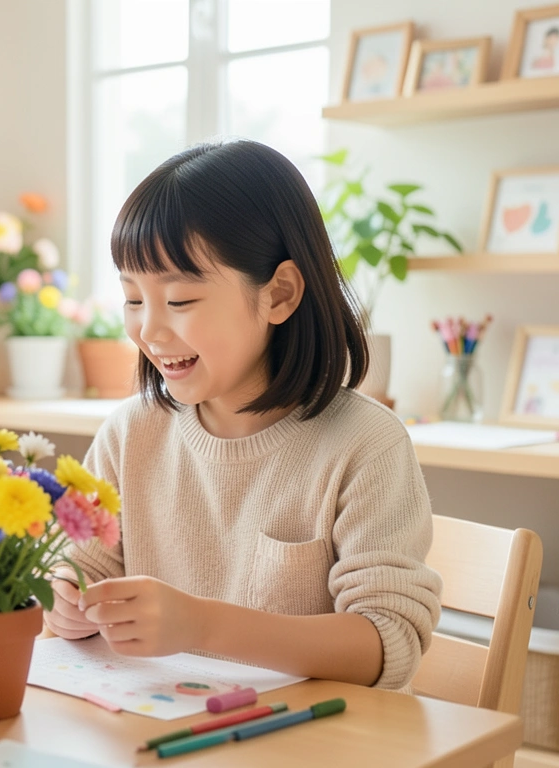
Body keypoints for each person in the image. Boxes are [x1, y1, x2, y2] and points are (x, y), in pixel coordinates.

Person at [43, 140, 442, 691]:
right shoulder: (129, 434)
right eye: (133, 299)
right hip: (162, 725)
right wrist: (65, 600)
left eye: (179, 301)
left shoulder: (366, 444)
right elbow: (79, 570)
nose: (149, 330)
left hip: (310, 732)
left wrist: (202, 625)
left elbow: (386, 641)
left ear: (279, 294)